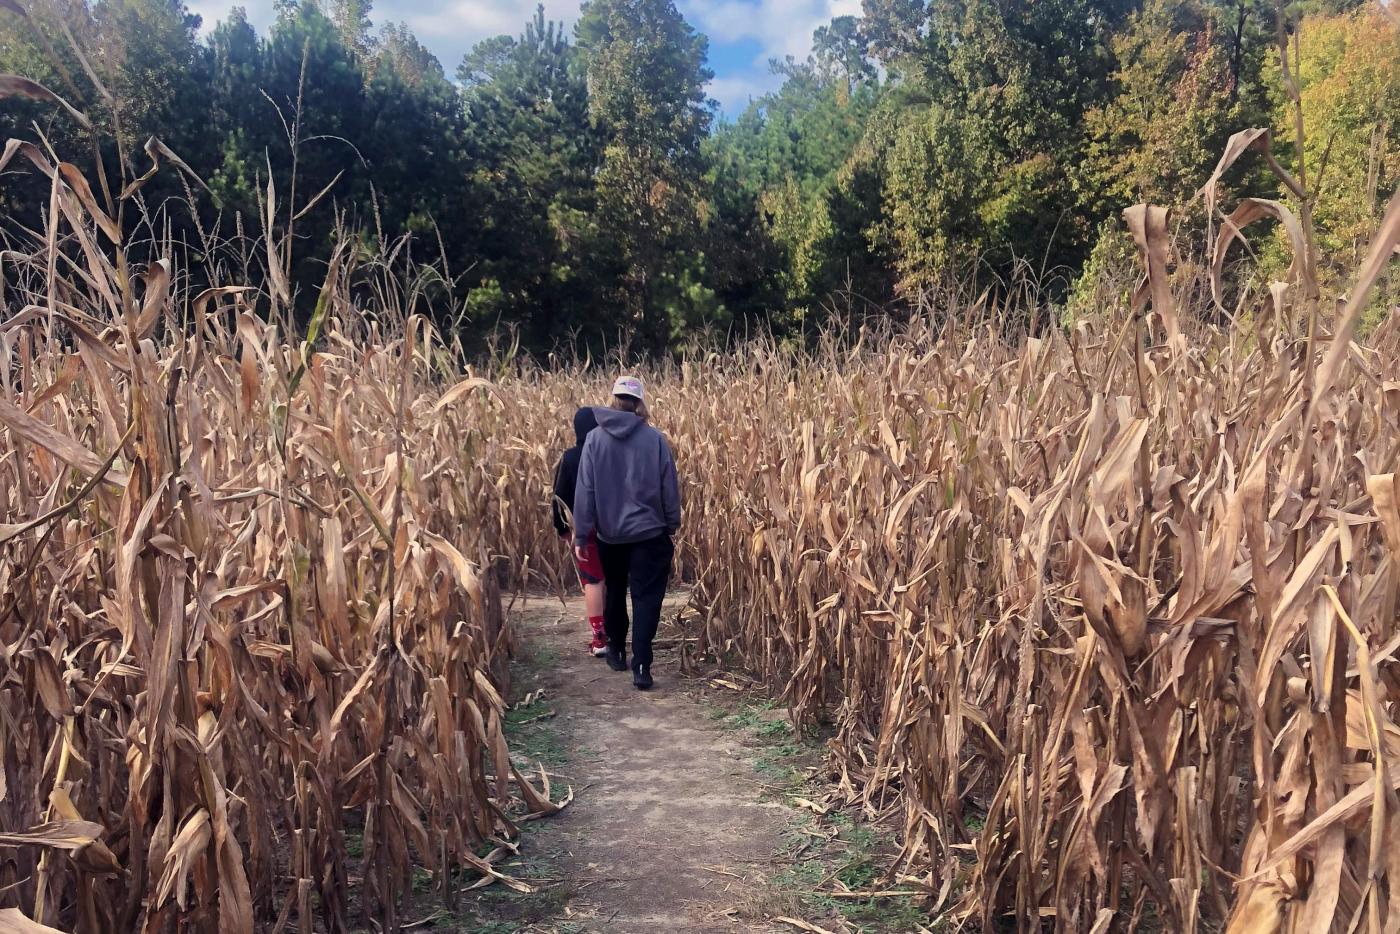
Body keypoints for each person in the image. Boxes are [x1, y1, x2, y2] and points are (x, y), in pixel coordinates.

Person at [572, 376, 680, 690]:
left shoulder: (593, 439)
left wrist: (582, 534)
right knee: (647, 599)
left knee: (615, 592)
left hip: (610, 536)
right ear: (640, 402)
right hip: (649, 534)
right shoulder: (654, 439)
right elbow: (668, 485)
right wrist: (671, 522)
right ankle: (642, 665)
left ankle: (617, 651)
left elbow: (586, 491)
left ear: (614, 399)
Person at [551, 406, 607, 656]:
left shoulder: (571, 457)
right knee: (609, 580)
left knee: (592, 581)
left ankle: (599, 639)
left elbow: (559, 496)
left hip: (582, 528)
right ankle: (613, 632)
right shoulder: (606, 452)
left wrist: (562, 528)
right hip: (612, 525)